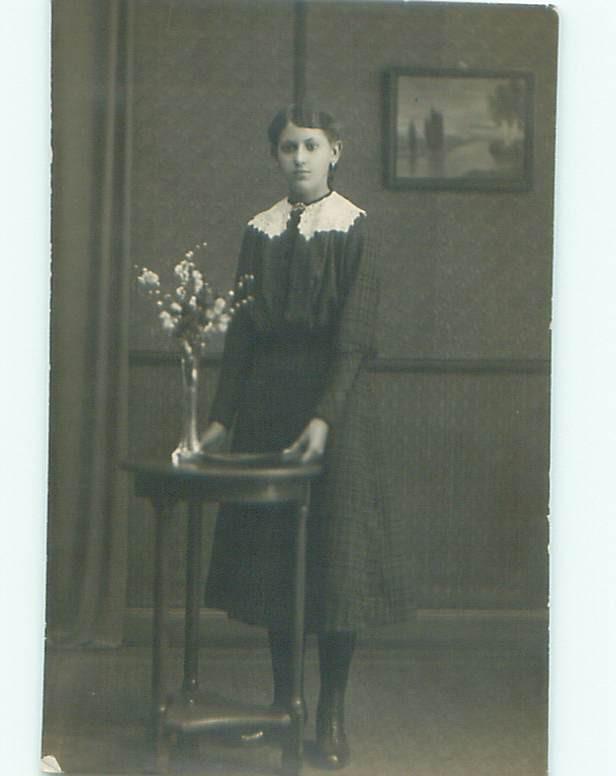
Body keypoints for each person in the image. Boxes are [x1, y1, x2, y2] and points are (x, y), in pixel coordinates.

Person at [200, 104, 413, 769]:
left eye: (311, 145)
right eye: (288, 146)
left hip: (337, 409)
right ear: (275, 156)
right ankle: (282, 703)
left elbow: (355, 338)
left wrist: (324, 418)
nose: (299, 157)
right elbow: (240, 336)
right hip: (266, 406)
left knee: (335, 558)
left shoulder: (356, 228)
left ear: (335, 152)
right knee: (274, 560)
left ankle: (331, 712)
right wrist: (219, 420)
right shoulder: (257, 231)